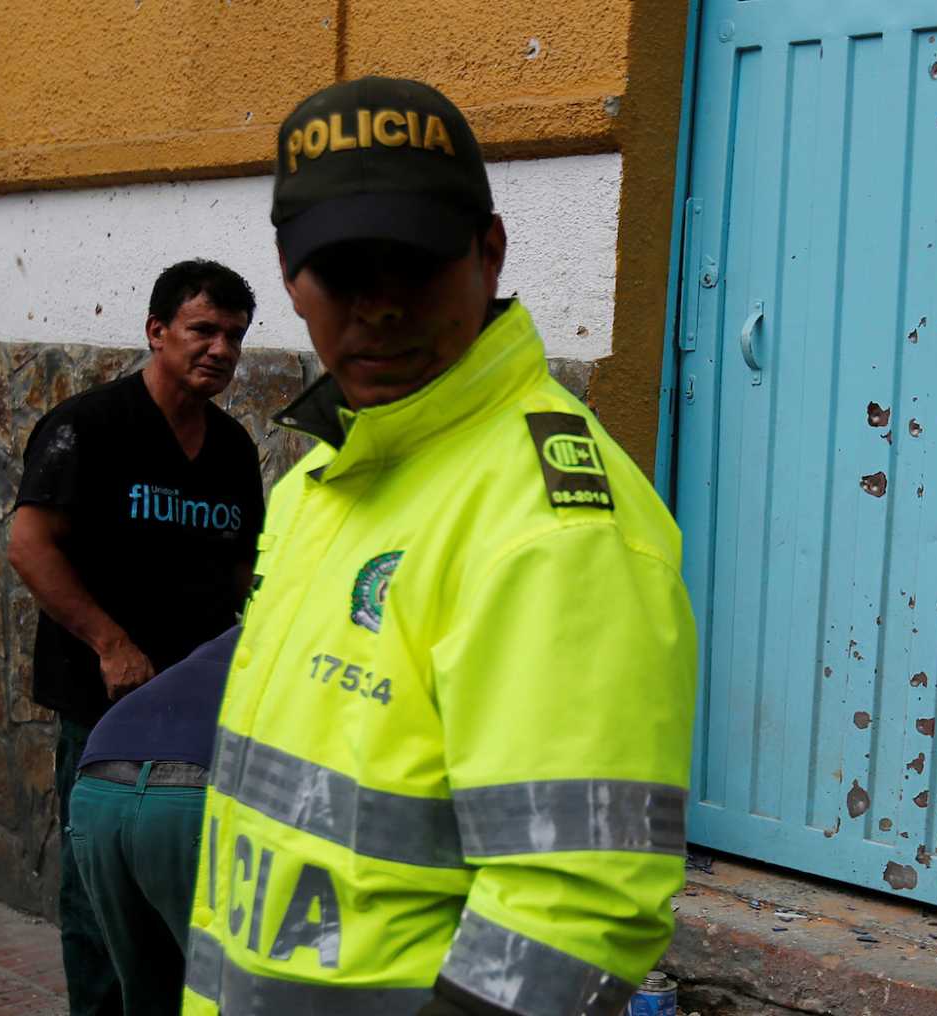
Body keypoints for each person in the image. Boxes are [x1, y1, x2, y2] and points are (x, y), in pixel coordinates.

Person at [181, 77, 697, 1016]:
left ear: (490, 253)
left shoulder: (555, 527)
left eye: (411, 265)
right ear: (289, 277)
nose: (377, 310)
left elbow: (574, 908)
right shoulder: (321, 482)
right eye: (342, 274)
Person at [7, 260, 266, 1016]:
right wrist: (111, 644)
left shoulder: (232, 449)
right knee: (98, 897)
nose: (220, 349)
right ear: (156, 332)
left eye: (235, 337)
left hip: (196, 716)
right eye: (203, 330)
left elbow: (247, 566)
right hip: (104, 706)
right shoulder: (87, 426)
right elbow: (29, 545)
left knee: (192, 893)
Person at [68, 627, 238, 1016]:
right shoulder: (312, 649)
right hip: (188, 793)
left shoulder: (215, 645)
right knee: (221, 993)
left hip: (98, 786)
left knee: (147, 991)